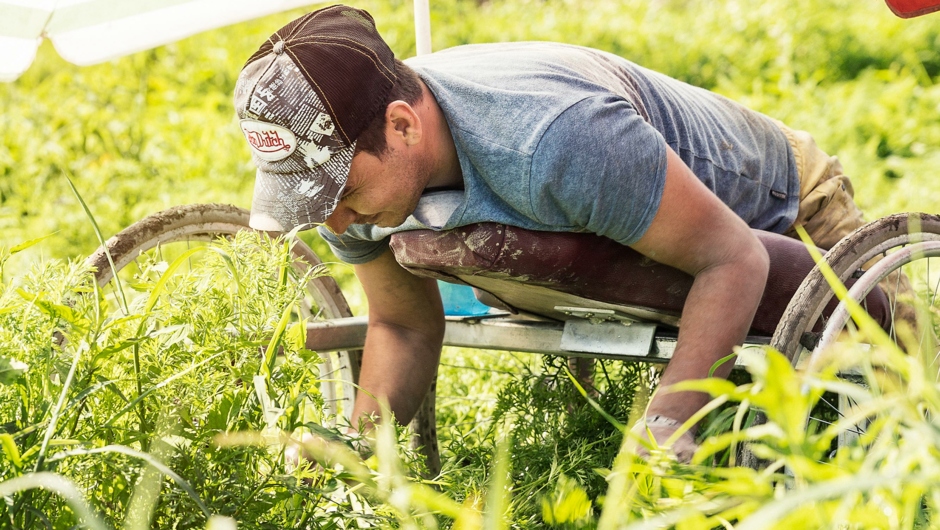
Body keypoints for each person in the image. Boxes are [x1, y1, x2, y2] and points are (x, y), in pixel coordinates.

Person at [233, 5, 902, 463]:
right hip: (633, 228)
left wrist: (666, 430)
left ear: (404, 126)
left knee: (904, 406)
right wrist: (353, 452)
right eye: (314, 201)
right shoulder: (352, 179)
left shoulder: (554, 139)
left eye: (343, 194)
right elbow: (404, 327)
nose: (337, 224)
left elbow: (732, 259)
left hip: (778, 203)